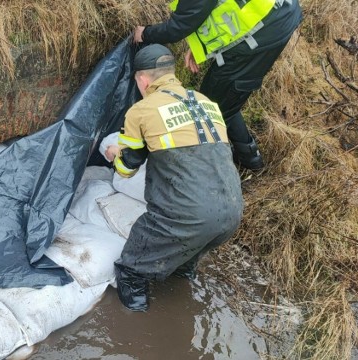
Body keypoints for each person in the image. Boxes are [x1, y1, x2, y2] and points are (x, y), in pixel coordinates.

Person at [105, 44, 243, 311]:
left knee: (135, 259)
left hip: (187, 216)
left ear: (143, 80)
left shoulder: (142, 111)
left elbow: (127, 168)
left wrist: (114, 154)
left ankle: (135, 322)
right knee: (184, 260)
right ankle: (181, 288)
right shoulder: (206, 103)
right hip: (232, 212)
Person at [133, 0, 302, 170]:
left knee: (210, 106)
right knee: (220, 96)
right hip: (272, 15)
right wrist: (202, 45)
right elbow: (209, 9)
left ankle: (225, 166)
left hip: (267, 27)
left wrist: (145, 34)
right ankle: (249, 158)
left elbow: (181, 24)